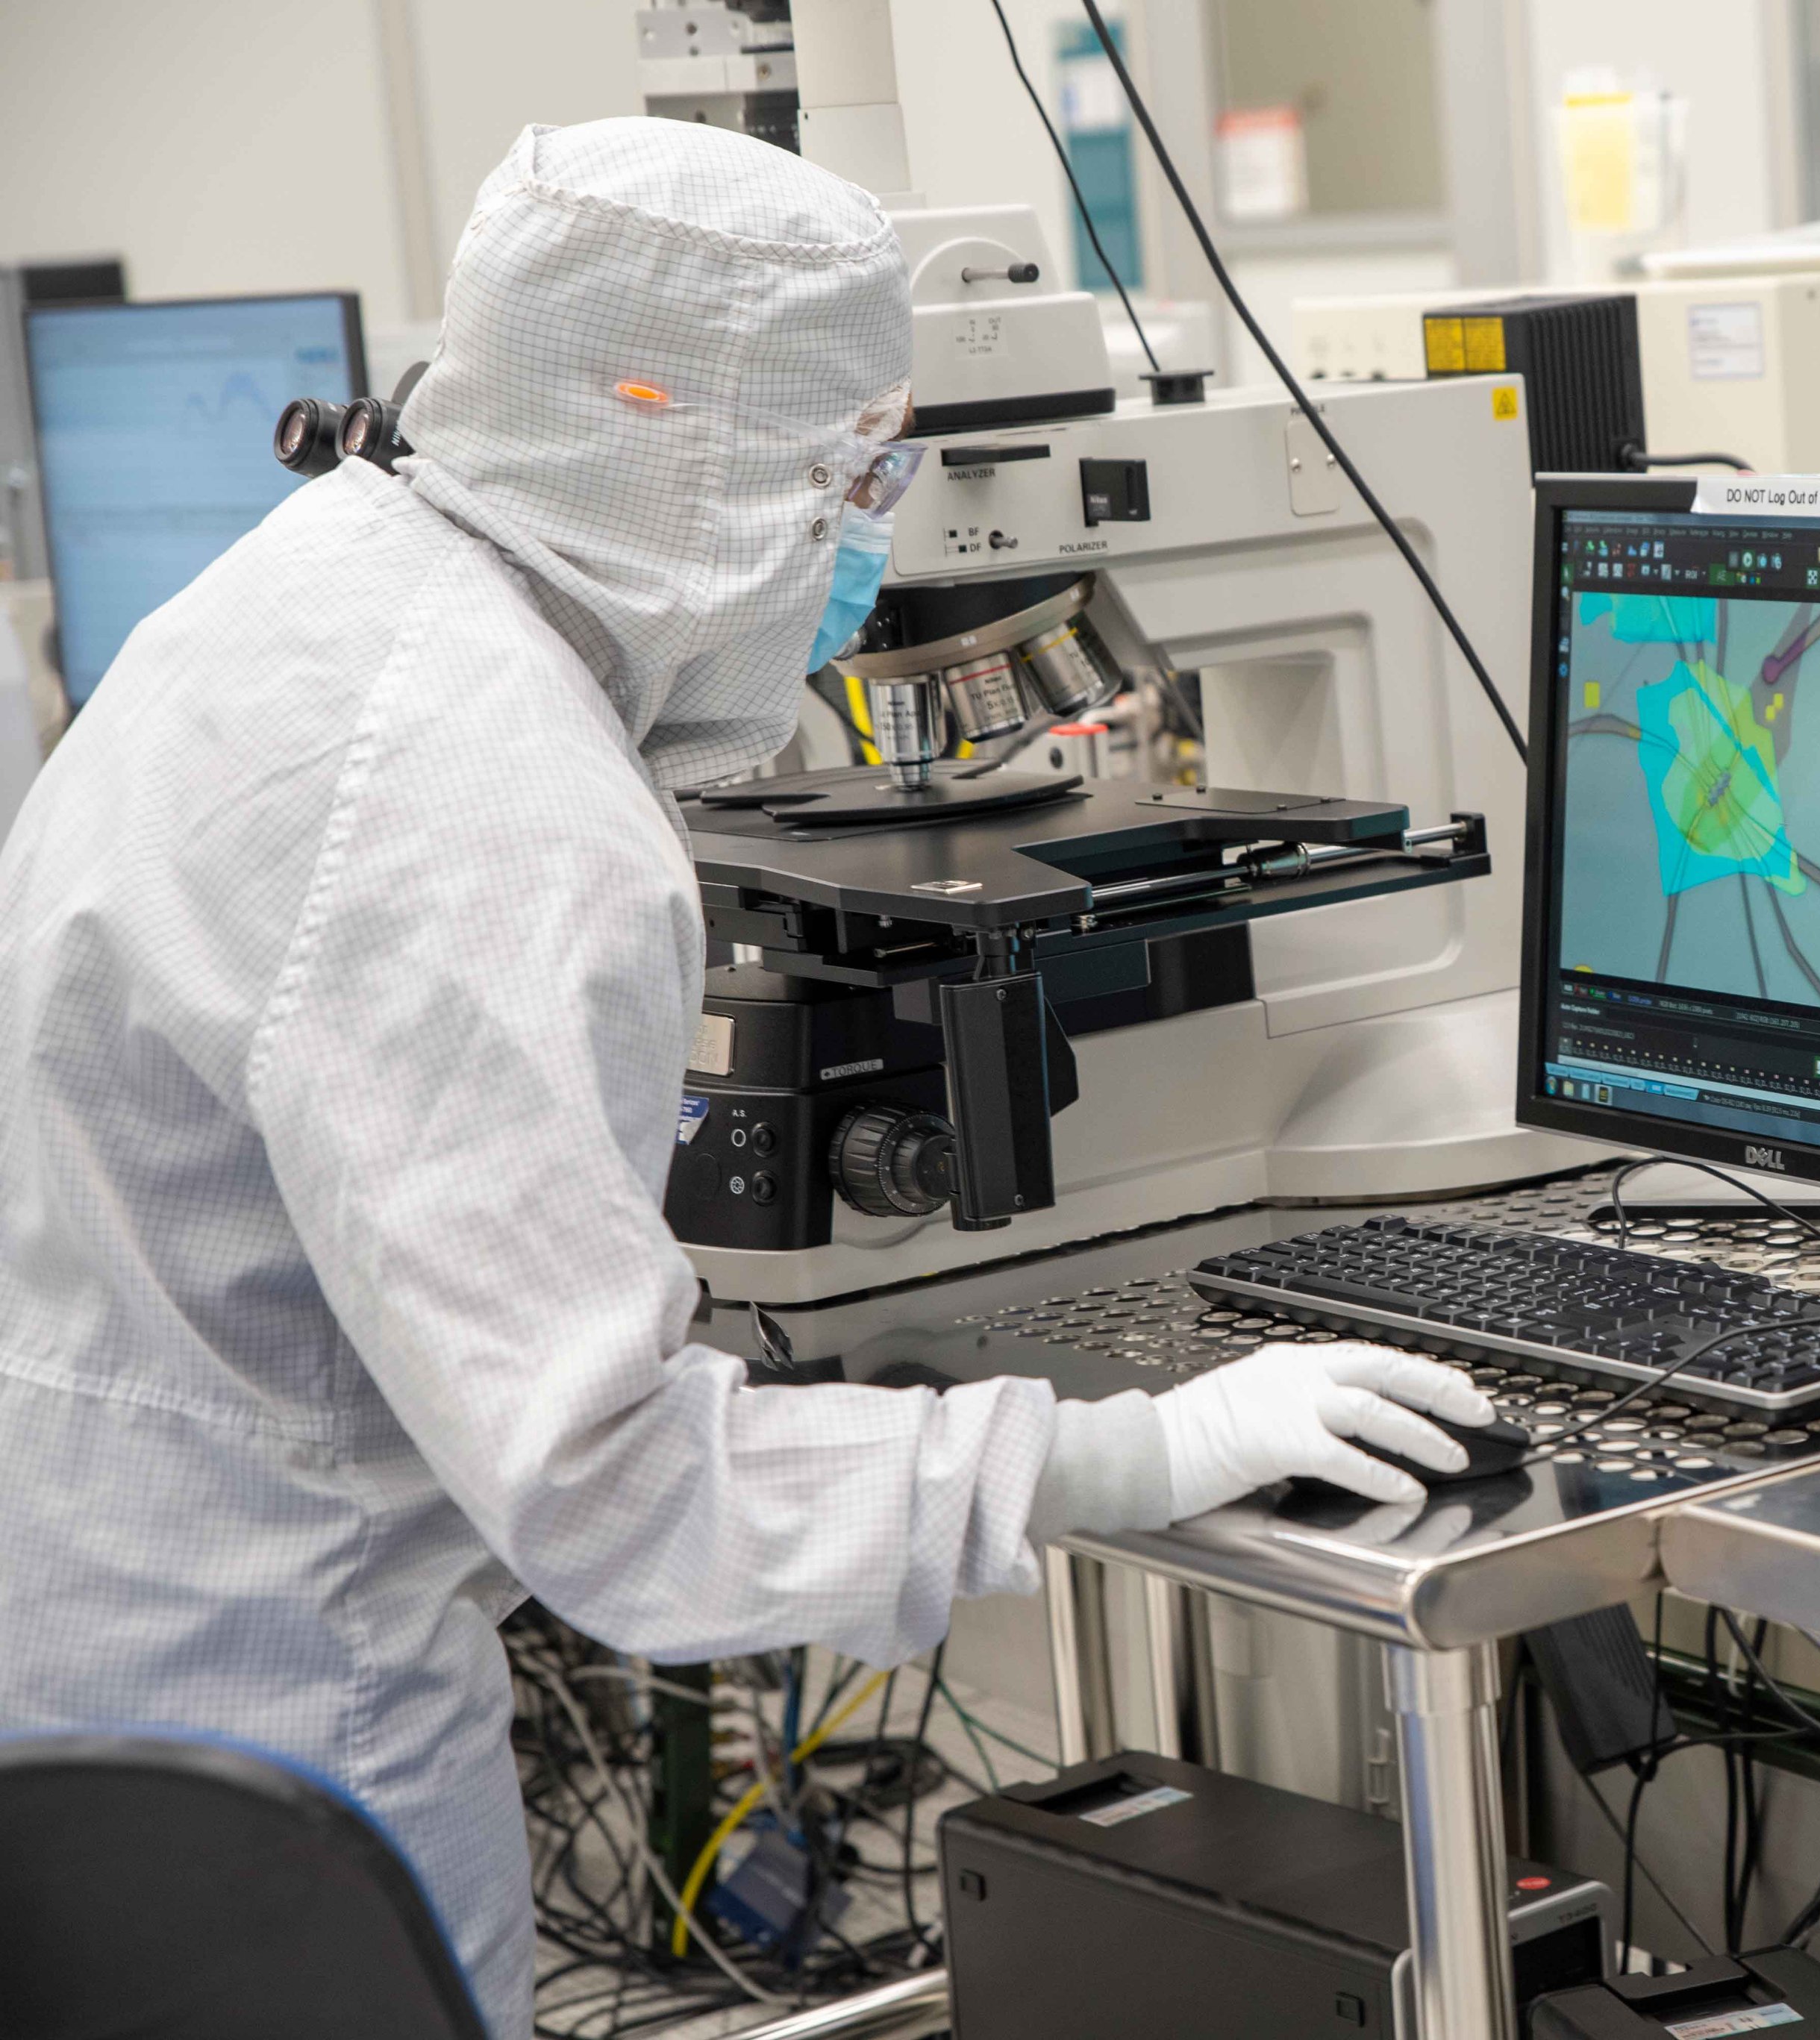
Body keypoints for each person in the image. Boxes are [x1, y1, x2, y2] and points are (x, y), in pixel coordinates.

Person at [0, 118, 1489, 2036]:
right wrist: (1144, 1448)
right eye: (857, 470)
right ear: (710, 470)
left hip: (102, 1625)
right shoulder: (491, 797)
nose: (864, 530)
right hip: (286, 1712)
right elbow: (617, 1487)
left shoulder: (315, 587)